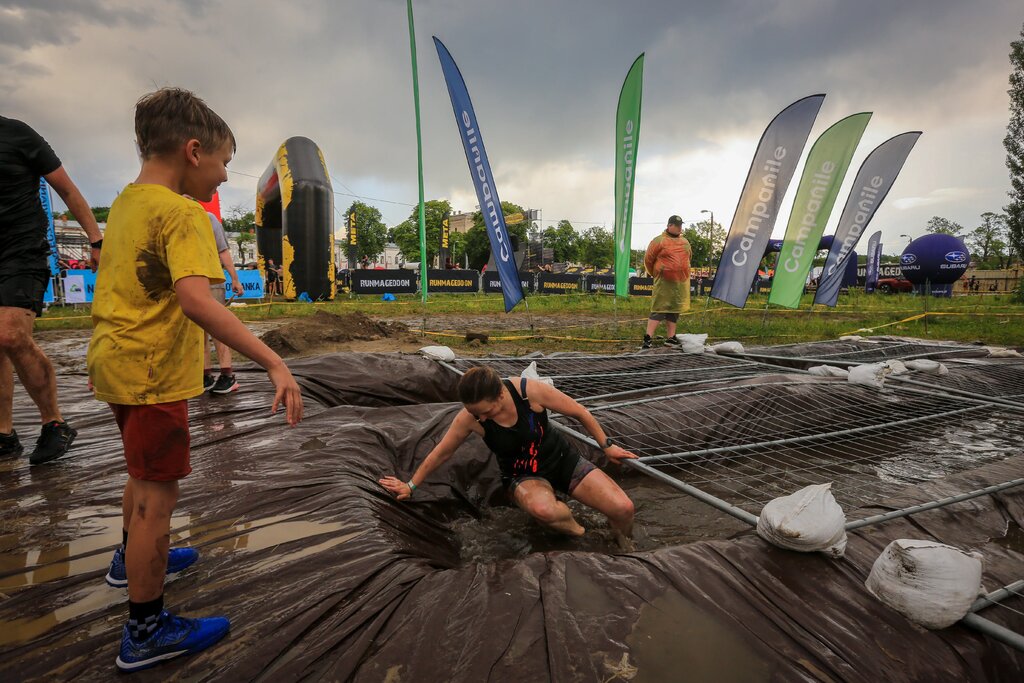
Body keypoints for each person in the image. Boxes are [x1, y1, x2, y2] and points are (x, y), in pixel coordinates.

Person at [87, 87, 304, 673]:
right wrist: (273, 361)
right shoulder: (184, 214)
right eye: (225, 162)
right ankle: (146, 629)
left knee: (139, 474)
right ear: (192, 151)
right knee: (159, 497)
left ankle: (124, 558)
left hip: (114, 362)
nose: (225, 176)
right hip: (154, 374)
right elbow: (198, 303)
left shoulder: (127, 202)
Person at [379, 366, 637, 545]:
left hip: (561, 460)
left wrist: (607, 445)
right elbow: (442, 452)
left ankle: (622, 543)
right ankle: (585, 535)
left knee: (623, 508)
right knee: (543, 509)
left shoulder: (528, 392)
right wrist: (411, 485)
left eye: (486, 412)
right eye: (475, 413)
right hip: (523, 475)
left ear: (500, 395)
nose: (480, 418)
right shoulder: (469, 418)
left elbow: (580, 412)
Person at [0, 115, 103, 464]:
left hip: (22, 250)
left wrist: (96, 238)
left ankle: (54, 422)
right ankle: (4, 434)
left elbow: (67, 188)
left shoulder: (17, 134)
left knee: (10, 335)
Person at [199, 209, 244, 394]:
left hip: (211, 281)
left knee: (216, 327)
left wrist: (235, 278)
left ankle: (227, 374)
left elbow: (223, 250)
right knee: (197, 330)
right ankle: (205, 375)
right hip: (188, 280)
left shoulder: (208, 219)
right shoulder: (172, 215)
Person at [641, 215, 692, 349]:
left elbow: (688, 257)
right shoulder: (658, 241)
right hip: (664, 282)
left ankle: (671, 338)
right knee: (659, 309)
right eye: (676, 225)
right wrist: (658, 273)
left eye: (680, 225)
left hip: (679, 284)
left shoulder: (685, 242)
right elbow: (648, 260)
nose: (679, 227)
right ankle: (648, 338)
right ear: (669, 225)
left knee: (674, 311)